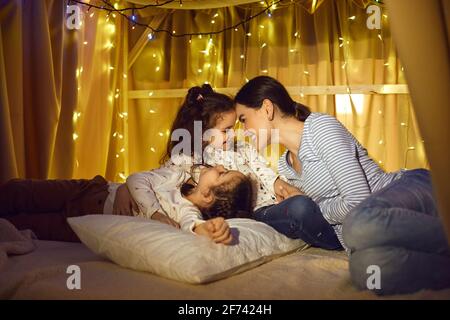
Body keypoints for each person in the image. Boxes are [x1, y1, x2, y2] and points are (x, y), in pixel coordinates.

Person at [234, 75, 450, 294]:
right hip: (366, 234)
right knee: (366, 270)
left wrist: (313, 208)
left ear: (267, 108)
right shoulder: (285, 167)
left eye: (243, 119)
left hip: (409, 190)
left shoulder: (319, 127)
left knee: (359, 225)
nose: (243, 130)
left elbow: (357, 201)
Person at [157, 84, 341, 250]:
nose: (232, 135)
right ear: (202, 132)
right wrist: (127, 188)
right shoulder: (190, 160)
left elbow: (265, 172)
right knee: (299, 208)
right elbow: (156, 180)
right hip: (257, 211)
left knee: (307, 199)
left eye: (233, 128)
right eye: (225, 130)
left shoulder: (241, 148)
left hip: (276, 200)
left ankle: (342, 225)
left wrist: (286, 188)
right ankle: (339, 242)